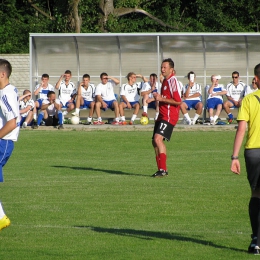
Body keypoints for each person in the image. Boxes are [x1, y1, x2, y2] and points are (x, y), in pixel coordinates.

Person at [231, 63, 260, 255]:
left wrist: (234, 156)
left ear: (256, 79)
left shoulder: (249, 99)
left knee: (256, 194)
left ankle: (256, 241)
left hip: (253, 153)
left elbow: (241, 129)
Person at [151, 58, 182, 178]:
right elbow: (164, 97)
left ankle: (163, 170)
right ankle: (160, 169)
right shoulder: (165, 81)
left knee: (158, 139)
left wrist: (161, 99)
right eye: (161, 67)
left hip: (169, 116)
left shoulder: (172, 81)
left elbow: (178, 101)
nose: (162, 69)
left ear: (171, 69)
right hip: (162, 115)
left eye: (165, 67)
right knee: (155, 142)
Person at [0, 59, 20, 231]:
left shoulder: (5, 93)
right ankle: (1, 218)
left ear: (2, 74)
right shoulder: (9, 90)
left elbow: (12, 122)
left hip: (3, 142)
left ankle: (1, 218)